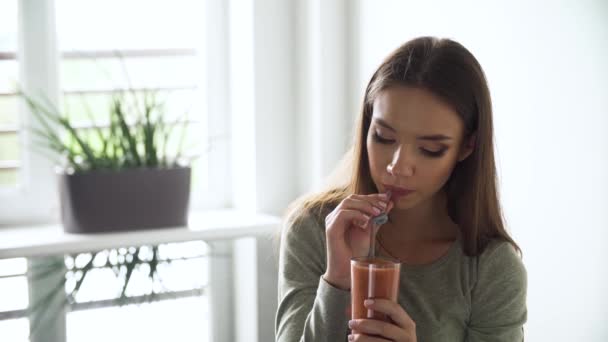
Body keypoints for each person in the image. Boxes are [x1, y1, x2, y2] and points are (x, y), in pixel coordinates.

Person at [275, 36, 527, 342]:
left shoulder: (491, 267)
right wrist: (338, 279)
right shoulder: (315, 229)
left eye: (430, 149)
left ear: (466, 147)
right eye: (383, 137)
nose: (397, 166)